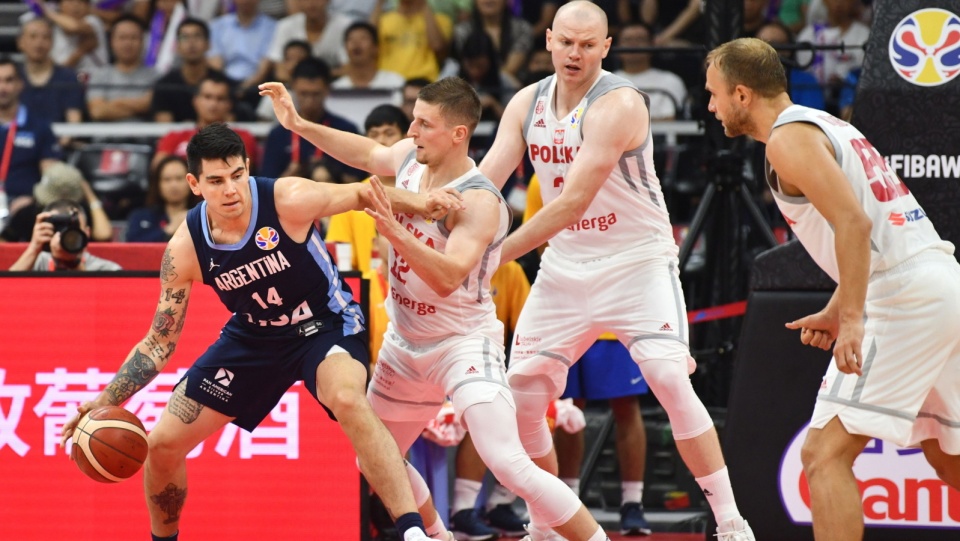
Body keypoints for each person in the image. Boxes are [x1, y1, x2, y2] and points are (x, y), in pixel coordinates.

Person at [259, 76, 612, 541]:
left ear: (457, 134)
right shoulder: (409, 159)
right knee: (374, 459)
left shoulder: (481, 200)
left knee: (506, 460)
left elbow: (448, 277)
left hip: (461, 342)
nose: (411, 132)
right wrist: (299, 124)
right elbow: (366, 154)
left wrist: (394, 228)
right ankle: (437, 535)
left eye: (424, 124)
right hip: (405, 344)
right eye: (413, 120)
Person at [58, 122, 440, 541]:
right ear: (195, 183)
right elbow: (159, 341)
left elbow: (365, 192)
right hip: (254, 337)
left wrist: (425, 202)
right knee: (163, 446)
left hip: (324, 323)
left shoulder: (289, 198)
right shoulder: (185, 249)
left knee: (347, 397)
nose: (231, 190)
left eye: (238, 175)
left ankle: (412, 532)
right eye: (217, 181)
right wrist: (104, 400)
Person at [475, 3, 754, 539]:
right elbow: (487, 183)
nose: (575, 54)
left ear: (606, 48)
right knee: (524, 393)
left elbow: (569, 204)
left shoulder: (618, 103)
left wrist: (489, 256)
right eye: (566, 43)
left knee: (670, 379)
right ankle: (546, 522)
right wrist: (441, 211)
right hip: (565, 267)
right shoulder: (525, 102)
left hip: (636, 263)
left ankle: (730, 521)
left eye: (588, 45)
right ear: (549, 40)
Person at [704, 37, 960, 541]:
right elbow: (882, 235)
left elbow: (855, 225)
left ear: (741, 94)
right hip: (938, 282)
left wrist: (853, 320)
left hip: (904, 297)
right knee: (946, 454)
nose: (710, 106)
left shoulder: (787, 140)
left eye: (713, 94)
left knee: (823, 454)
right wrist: (835, 305)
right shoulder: (825, 124)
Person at [260, 58, 360, 181]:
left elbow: (359, 182)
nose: (309, 101)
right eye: (304, 94)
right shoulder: (278, 135)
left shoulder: (346, 130)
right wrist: (289, 176)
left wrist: (333, 172)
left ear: (327, 89)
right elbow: (265, 187)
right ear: (293, 88)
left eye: (315, 94)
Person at [152, 72, 259, 172]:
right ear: (195, 101)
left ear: (229, 105)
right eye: (207, 97)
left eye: (220, 99)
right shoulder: (173, 137)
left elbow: (240, 172)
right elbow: (158, 171)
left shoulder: (242, 137)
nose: (213, 104)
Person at [2, 162, 112, 243]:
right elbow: (3, 243)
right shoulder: (30, 212)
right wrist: (34, 246)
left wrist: (90, 196)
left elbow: (104, 235)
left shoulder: (81, 213)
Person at [8, 199, 121, 271]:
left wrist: (72, 263)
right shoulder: (36, 263)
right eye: (58, 228)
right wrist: (33, 248)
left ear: (86, 233)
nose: (65, 235)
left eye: (73, 228)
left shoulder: (107, 270)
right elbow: (5, 294)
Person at [86, 14, 160, 122]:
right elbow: (98, 112)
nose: (128, 43)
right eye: (122, 38)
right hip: (107, 138)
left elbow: (148, 105)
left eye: (133, 38)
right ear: (111, 42)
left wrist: (117, 103)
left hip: (143, 138)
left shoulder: (156, 76)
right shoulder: (99, 75)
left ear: (143, 42)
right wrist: (137, 108)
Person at [125, 156, 200, 242]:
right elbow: (131, 247)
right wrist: (169, 230)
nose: (173, 185)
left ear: (192, 182)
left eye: (179, 178)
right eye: (167, 179)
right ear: (158, 184)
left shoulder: (205, 215)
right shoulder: (140, 216)